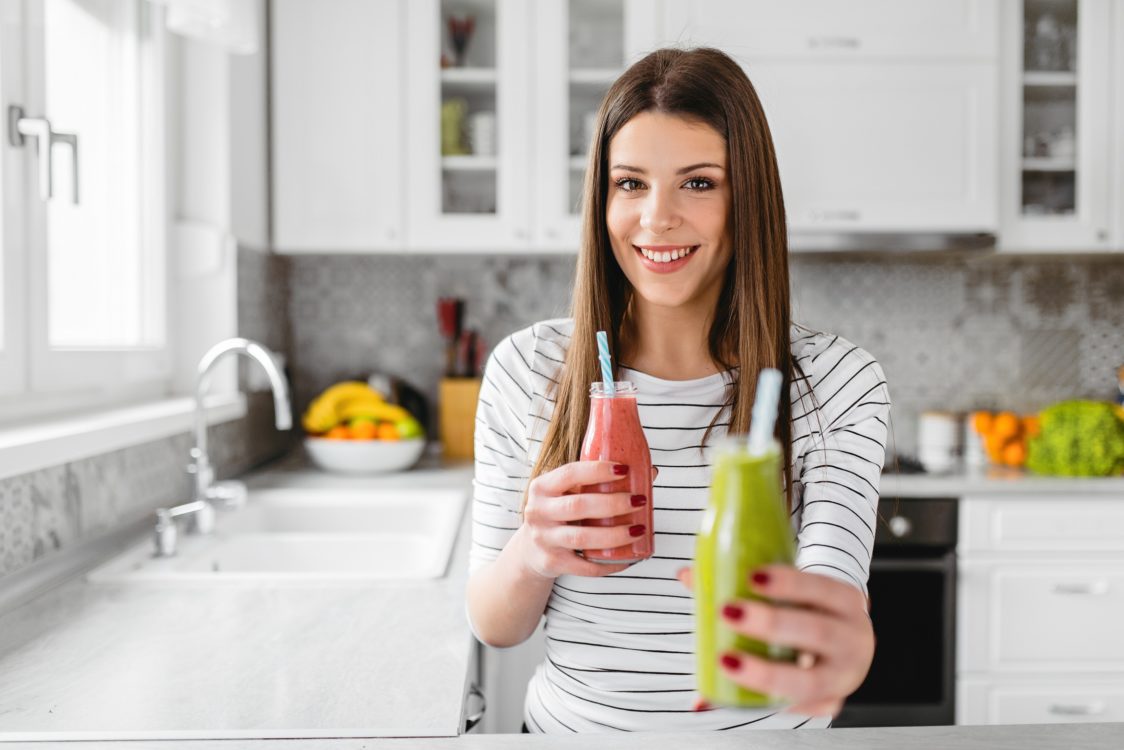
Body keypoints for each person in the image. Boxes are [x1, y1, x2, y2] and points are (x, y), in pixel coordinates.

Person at [465, 47, 891, 733]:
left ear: (746, 197)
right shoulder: (529, 370)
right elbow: (494, 625)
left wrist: (826, 631)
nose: (656, 218)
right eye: (630, 183)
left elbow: (835, 588)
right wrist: (533, 550)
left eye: (698, 183)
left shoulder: (836, 384)